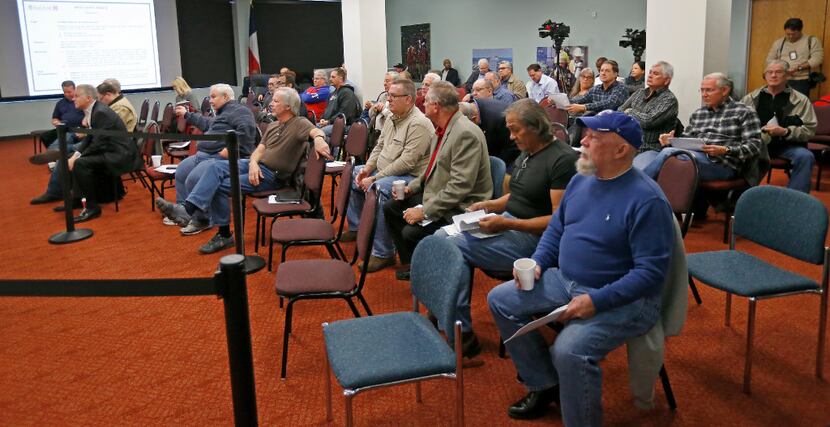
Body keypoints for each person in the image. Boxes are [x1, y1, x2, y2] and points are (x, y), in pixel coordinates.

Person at [487, 110, 673, 425]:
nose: (581, 142)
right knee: (500, 299)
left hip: (626, 299)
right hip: (567, 279)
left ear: (620, 150)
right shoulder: (581, 179)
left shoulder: (647, 200)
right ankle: (543, 383)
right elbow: (556, 230)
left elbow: (650, 274)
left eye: (593, 137)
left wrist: (596, 301)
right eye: (583, 134)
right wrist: (539, 263)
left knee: (568, 350)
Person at [440, 99, 578, 357]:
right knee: (442, 236)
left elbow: (559, 222)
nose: (511, 137)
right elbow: (517, 196)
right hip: (511, 226)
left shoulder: (562, 160)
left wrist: (508, 222)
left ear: (536, 127)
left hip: (535, 242)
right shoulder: (528, 153)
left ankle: (461, 332)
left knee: (449, 245)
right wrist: (491, 204)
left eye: (516, 130)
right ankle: (451, 320)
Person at [156, 88, 331, 254]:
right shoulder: (274, 125)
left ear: (288, 106)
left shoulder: (299, 123)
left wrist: (320, 140)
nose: (271, 103)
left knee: (216, 184)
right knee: (213, 167)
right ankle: (190, 211)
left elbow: (315, 131)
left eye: (276, 101)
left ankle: (217, 230)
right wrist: (253, 163)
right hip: (256, 165)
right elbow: (259, 150)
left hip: (272, 175)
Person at [384, 81, 492, 280]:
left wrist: (424, 211)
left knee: (410, 232)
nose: (422, 104)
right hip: (440, 194)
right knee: (391, 207)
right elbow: (431, 169)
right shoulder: (443, 128)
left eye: (425, 101)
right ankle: (417, 263)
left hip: (461, 207)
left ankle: (432, 271)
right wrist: (411, 188)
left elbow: (460, 187)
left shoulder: (465, 133)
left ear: (436, 106)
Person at [344, 78, 433, 272]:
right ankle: (359, 228)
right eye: (389, 95)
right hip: (384, 171)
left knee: (380, 188)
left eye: (393, 96)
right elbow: (379, 147)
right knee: (355, 172)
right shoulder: (392, 118)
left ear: (409, 100)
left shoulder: (419, 124)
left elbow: (406, 163)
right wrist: (367, 169)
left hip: (409, 178)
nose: (388, 100)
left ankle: (384, 253)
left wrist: (375, 178)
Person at [165, 83, 257, 234]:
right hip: (204, 155)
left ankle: (202, 219)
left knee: (193, 179)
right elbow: (207, 123)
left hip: (218, 157)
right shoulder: (222, 113)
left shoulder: (240, 111)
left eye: (213, 97)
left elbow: (248, 132)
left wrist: (232, 148)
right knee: (181, 171)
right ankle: (183, 211)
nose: (210, 100)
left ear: (226, 97)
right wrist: (187, 115)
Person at [642, 73, 762, 182]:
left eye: (709, 90)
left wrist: (726, 149)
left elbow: (755, 147)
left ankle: (638, 185)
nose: (704, 95)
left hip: (722, 164)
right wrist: (670, 141)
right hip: (693, 157)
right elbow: (685, 142)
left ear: (725, 90)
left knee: (670, 159)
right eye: (702, 90)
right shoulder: (698, 114)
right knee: (649, 155)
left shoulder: (744, 112)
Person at [64, 84, 137, 222]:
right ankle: (78, 199)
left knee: (81, 164)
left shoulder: (100, 112)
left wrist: (78, 158)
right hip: (108, 149)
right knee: (71, 158)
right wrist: (75, 155)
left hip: (118, 154)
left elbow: (98, 143)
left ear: (88, 98)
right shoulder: (94, 110)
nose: (73, 99)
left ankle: (92, 208)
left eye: (77, 96)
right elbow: (91, 137)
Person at [741, 60, 817, 193]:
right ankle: (739, 199)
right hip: (757, 145)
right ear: (765, 76)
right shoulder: (750, 98)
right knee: (734, 152)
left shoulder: (801, 100)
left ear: (787, 75)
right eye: (769, 72)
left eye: (778, 72)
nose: (773, 75)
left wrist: (785, 132)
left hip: (787, 146)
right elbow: (736, 124)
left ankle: (795, 201)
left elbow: (809, 130)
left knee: (806, 156)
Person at [619, 61, 679, 170]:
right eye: (650, 72)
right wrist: (629, 113)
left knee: (633, 174)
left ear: (666, 80)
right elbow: (619, 111)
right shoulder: (639, 93)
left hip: (650, 149)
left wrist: (629, 112)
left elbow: (648, 121)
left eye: (655, 74)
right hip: (628, 144)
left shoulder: (669, 99)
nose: (650, 75)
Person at [766, 18, 824, 96]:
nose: (790, 37)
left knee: (798, 106)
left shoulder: (811, 40)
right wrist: (779, 69)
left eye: (793, 34)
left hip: (801, 80)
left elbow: (817, 59)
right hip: (781, 79)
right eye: (787, 34)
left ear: (800, 31)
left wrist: (798, 68)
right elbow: (770, 59)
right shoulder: (779, 43)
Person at [459, 97, 515, 168]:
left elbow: (512, 146)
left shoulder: (498, 118)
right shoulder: (472, 107)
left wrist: (496, 166)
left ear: (473, 119)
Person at [39, 80, 84, 150]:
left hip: (77, 128)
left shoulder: (80, 101)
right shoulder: (60, 103)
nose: (67, 94)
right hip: (63, 128)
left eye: (69, 92)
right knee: (45, 136)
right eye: (65, 92)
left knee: (63, 140)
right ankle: (56, 155)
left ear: (75, 90)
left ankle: (56, 153)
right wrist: (56, 122)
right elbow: (55, 118)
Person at [318, 67, 361, 136]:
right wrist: (322, 119)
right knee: (311, 130)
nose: (330, 79)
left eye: (333, 77)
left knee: (320, 133)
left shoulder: (347, 93)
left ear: (340, 79)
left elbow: (344, 114)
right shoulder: (332, 94)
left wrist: (329, 121)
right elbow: (326, 110)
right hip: (329, 123)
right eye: (330, 77)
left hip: (344, 125)